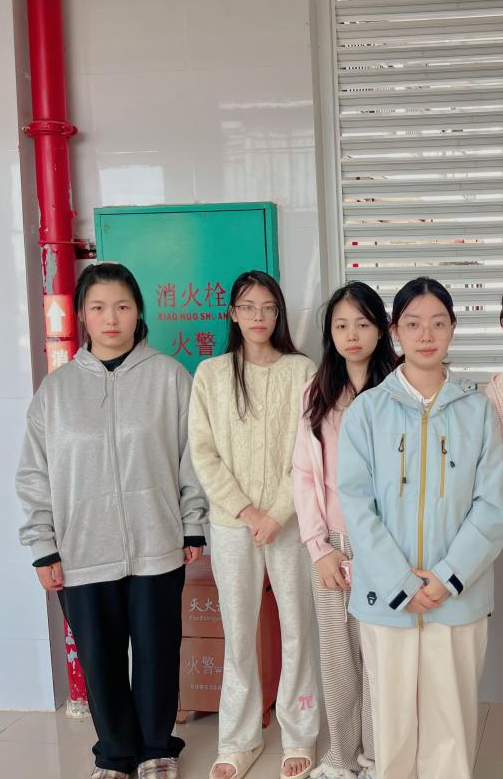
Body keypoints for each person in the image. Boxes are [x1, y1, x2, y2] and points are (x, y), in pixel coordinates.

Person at [17, 262, 207, 779]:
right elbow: (33, 473)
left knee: (156, 653)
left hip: (157, 543)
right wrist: (43, 545)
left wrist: (192, 522)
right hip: (81, 549)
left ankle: (157, 749)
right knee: (99, 658)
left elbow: (192, 457)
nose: (111, 318)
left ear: (138, 310)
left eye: (122, 306)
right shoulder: (56, 391)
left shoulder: (169, 377)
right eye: (98, 307)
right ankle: (116, 754)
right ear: (82, 314)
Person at [337, 276, 503, 779]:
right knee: (392, 728)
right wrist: (402, 582)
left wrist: (447, 576)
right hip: (387, 599)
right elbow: (356, 504)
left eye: (437, 323)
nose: (426, 335)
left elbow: (491, 508)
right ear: (396, 331)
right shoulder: (367, 411)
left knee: (450, 727)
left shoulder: (478, 411)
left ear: (453, 328)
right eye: (413, 324)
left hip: (456, 597)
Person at [189, 270, 318, 779]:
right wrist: (247, 512)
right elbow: (203, 453)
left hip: (291, 523)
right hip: (231, 524)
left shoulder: (301, 370)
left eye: (267, 307)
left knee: (298, 629)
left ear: (278, 313)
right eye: (248, 307)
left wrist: (278, 513)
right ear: (233, 314)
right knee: (239, 633)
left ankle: (299, 734)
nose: (258, 316)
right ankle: (239, 739)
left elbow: (310, 449)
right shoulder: (212, 373)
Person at [292, 281, 397, 779]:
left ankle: (377, 758)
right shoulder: (316, 392)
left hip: (385, 545)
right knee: (337, 658)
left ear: (381, 329)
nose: (352, 335)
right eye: (341, 325)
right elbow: (303, 473)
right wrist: (319, 548)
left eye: (362, 323)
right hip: (332, 543)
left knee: (379, 656)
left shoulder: (399, 388)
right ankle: (340, 757)